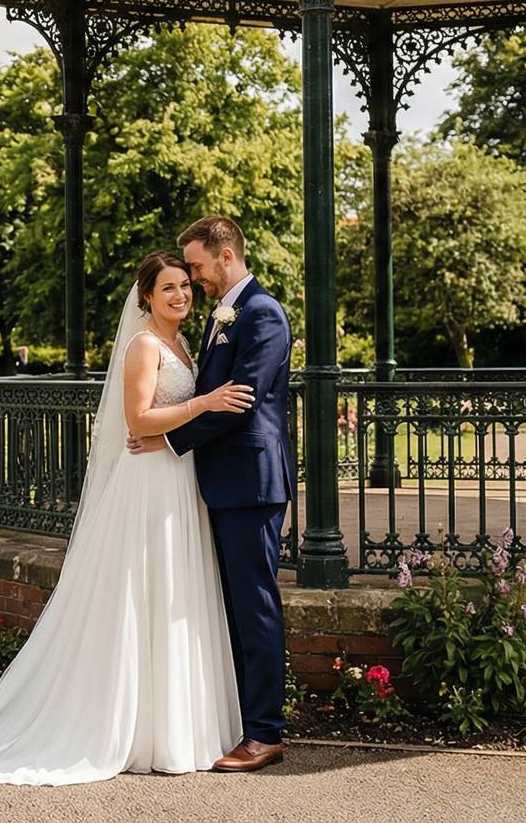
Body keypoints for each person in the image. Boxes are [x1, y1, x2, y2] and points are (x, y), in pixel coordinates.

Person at [0, 251, 254, 784]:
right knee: (144, 592)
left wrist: (191, 417)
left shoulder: (183, 344)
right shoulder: (145, 345)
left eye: (185, 286)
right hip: (149, 485)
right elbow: (138, 419)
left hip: (177, 477)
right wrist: (205, 403)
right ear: (146, 296)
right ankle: (135, 728)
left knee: (175, 593)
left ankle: (176, 726)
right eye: (168, 288)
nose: (181, 295)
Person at [129, 215, 295, 773]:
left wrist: (169, 439)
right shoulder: (225, 313)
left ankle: (265, 733)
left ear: (226, 256)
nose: (194, 279)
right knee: (233, 607)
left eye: (197, 267)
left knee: (254, 605)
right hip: (223, 482)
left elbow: (239, 400)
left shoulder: (262, 312)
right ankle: (241, 722)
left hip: (250, 483)